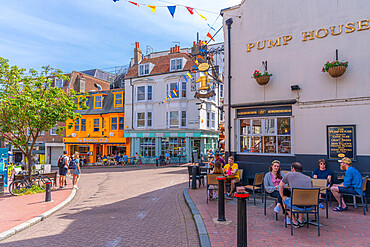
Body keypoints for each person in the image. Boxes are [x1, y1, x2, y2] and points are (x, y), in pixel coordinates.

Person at [279, 162, 312, 228]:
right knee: (303, 197)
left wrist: (282, 196)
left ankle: (294, 221)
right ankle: (300, 219)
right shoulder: (308, 178)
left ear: (293, 169)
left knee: (284, 200)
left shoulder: (289, 175)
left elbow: (280, 185)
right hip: (310, 205)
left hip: (296, 205)